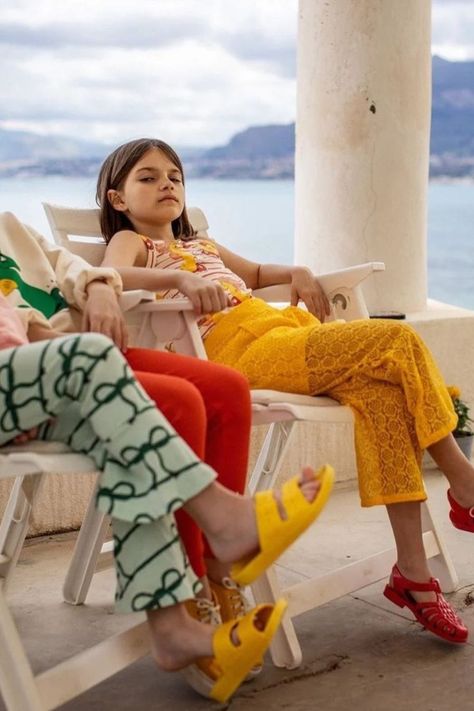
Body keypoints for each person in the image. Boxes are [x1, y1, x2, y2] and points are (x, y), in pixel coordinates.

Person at [95, 136, 474, 646]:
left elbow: (254, 274)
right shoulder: (137, 243)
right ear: (118, 199)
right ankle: (464, 481)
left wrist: (296, 271)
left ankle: (414, 578)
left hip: (280, 335)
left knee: (383, 395)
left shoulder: (201, 244)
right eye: (148, 177)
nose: (166, 183)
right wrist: (181, 284)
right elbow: (110, 273)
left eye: (175, 176)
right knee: (396, 339)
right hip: (238, 355)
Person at [0, 291, 334, 703]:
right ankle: (223, 521)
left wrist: (93, 293)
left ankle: (173, 626)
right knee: (91, 356)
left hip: (30, 376)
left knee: (133, 432)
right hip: (28, 373)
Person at [0, 210, 257, 635]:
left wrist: (99, 286)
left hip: (84, 353)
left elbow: (68, 264)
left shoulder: (9, 227)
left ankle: (217, 566)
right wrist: (39, 332)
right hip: (47, 374)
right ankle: (191, 581)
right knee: (179, 404)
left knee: (226, 388)